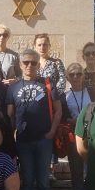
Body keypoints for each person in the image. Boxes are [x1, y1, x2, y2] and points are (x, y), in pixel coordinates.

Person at [7, 49, 61, 190]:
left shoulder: (47, 84)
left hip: (43, 139)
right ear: (20, 64)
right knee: (28, 181)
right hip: (24, 141)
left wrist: (52, 132)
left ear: (39, 64)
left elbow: (58, 110)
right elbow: (10, 114)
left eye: (34, 62)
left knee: (44, 182)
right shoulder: (13, 88)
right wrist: (13, 134)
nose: (30, 65)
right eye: (26, 62)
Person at [62, 63, 95, 190]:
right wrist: (73, 121)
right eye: (72, 74)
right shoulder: (64, 96)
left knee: (94, 169)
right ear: (67, 77)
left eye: (79, 74)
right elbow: (63, 117)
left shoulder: (94, 92)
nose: (75, 77)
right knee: (76, 171)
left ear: (83, 76)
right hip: (74, 137)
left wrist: (82, 120)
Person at [33, 33, 66, 180]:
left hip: (53, 103)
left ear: (49, 46)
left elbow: (62, 81)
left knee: (51, 134)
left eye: (45, 44)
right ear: (35, 46)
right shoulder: (32, 63)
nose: (42, 47)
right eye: (39, 44)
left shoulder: (56, 63)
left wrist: (52, 96)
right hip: (37, 105)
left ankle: (51, 168)